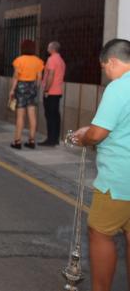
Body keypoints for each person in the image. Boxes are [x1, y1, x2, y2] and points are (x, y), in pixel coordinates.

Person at [72, 39, 130, 291]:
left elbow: (97, 134)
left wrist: (83, 136)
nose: (106, 74)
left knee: (100, 232)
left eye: (105, 67)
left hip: (120, 177)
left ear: (114, 61)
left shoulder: (119, 88)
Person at [9, 39, 44, 149]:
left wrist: (12, 90)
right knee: (32, 115)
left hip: (21, 87)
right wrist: (35, 88)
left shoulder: (19, 60)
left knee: (20, 116)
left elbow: (16, 77)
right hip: (32, 87)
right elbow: (39, 78)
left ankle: (17, 141)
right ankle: (31, 140)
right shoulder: (38, 61)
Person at [40, 41, 66, 146]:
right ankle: (55, 139)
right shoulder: (61, 60)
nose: (47, 49)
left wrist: (46, 90)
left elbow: (50, 75)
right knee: (56, 116)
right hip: (58, 91)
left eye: (48, 47)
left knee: (50, 116)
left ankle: (50, 140)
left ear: (52, 49)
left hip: (51, 92)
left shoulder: (51, 59)